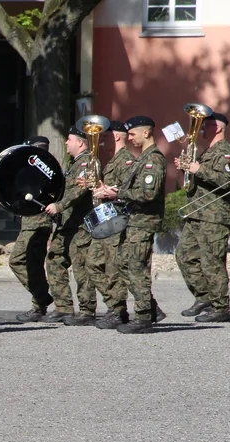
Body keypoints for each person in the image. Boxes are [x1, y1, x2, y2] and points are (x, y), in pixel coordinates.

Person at [96, 115, 166, 334]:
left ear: (146, 133)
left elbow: (148, 193)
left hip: (143, 223)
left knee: (136, 269)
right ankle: (151, 309)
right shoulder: (142, 157)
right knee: (126, 265)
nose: (130, 138)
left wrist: (118, 192)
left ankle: (144, 316)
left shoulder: (153, 159)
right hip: (133, 221)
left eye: (133, 133)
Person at [174, 112, 230, 322]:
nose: (202, 128)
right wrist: (188, 168)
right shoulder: (207, 151)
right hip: (196, 213)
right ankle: (204, 297)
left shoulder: (225, 152)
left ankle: (221, 307)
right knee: (184, 256)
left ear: (218, 128)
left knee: (212, 262)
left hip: (214, 216)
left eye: (207, 125)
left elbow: (226, 181)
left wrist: (198, 169)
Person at [44, 126, 96, 324]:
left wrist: (60, 205)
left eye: (69, 140)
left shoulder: (88, 162)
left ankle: (87, 311)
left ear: (80, 142)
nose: (66, 143)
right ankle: (63, 307)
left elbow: (79, 192)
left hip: (81, 225)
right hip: (67, 223)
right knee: (54, 258)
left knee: (81, 268)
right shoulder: (74, 164)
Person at [90, 121, 134, 329]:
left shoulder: (126, 161)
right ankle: (116, 305)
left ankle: (118, 311)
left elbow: (127, 191)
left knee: (113, 269)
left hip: (117, 221)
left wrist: (108, 191)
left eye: (105, 137)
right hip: (107, 221)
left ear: (117, 137)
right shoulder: (112, 161)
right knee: (93, 264)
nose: (101, 142)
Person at [9, 136, 54, 322]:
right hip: (30, 223)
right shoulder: (42, 169)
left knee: (21, 261)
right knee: (28, 263)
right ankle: (40, 300)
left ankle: (40, 300)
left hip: (37, 223)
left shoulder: (46, 171)